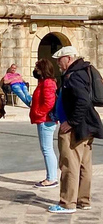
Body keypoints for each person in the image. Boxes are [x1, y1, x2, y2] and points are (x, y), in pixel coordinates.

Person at [48, 46, 103, 214]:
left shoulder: (74, 75)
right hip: (87, 126)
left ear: (69, 58)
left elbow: (83, 101)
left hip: (75, 129)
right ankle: (83, 200)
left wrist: (71, 122)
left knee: (69, 164)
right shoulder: (83, 70)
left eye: (60, 59)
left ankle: (67, 203)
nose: (58, 63)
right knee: (84, 164)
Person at [29, 58, 58, 188]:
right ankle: (51, 176)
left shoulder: (47, 83)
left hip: (45, 120)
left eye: (37, 68)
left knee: (47, 149)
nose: (36, 71)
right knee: (46, 149)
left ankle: (51, 178)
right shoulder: (43, 82)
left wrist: (39, 113)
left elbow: (49, 103)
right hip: (43, 119)